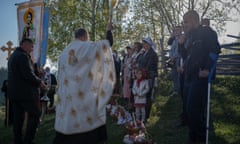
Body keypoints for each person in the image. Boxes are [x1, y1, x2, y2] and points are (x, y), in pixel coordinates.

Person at [53, 20, 115, 144]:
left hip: (69, 94)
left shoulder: (64, 52)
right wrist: (109, 31)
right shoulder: (87, 47)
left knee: (69, 119)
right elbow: (106, 46)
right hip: (84, 92)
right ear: (85, 36)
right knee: (87, 118)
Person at [179, 10, 220, 144]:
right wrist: (181, 44)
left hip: (200, 75)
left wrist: (208, 69)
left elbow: (215, 50)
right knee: (187, 108)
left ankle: (201, 138)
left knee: (194, 108)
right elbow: (186, 57)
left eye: (186, 22)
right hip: (189, 77)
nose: (184, 25)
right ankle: (192, 138)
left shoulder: (207, 32)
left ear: (194, 21)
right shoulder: (190, 37)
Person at [8, 38, 46, 144]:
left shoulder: (14, 56)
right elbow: (28, 75)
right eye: (31, 46)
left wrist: (38, 73)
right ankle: (28, 140)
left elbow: (25, 73)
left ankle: (18, 141)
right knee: (36, 113)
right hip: (24, 93)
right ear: (25, 45)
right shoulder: (22, 56)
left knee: (18, 119)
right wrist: (40, 82)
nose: (32, 48)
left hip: (15, 94)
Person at [139, 37, 158, 120]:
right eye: (143, 43)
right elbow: (140, 64)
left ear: (149, 44)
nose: (143, 45)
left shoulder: (153, 54)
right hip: (143, 75)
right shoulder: (144, 53)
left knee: (148, 95)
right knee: (144, 94)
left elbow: (149, 66)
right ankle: (143, 113)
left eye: (145, 43)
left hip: (150, 76)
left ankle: (147, 115)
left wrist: (142, 72)